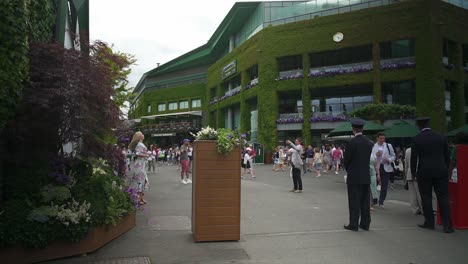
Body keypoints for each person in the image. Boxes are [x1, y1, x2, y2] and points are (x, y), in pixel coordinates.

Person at [411, 117, 453, 233]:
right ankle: (447, 225)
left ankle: (429, 222)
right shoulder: (441, 136)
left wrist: (413, 173)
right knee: (443, 197)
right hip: (441, 171)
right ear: (429, 124)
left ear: (419, 126)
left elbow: (414, 158)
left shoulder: (416, 139)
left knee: (426, 197)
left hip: (424, 172)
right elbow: (447, 155)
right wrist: (446, 169)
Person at [343, 118, 373, 231]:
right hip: (365, 175)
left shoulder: (351, 143)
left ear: (353, 129)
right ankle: (365, 223)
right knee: (365, 200)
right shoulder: (369, 142)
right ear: (362, 128)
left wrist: (350, 170)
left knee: (354, 200)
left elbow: (346, 161)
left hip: (354, 175)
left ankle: (354, 224)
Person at [371, 132, 395, 208]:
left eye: (384, 138)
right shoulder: (373, 146)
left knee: (384, 186)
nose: (382, 140)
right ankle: (373, 200)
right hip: (376, 167)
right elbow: (371, 156)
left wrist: (388, 160)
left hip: (386, 167)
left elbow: (393, 156)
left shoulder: (388, 145)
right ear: (377, 138)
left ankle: (381, 202)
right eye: (381, 138)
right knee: (374, 184)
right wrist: (376, 155)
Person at [128, 131, 149, 205]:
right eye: (142, 134)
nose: (143, 135)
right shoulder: (140, 144)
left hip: (141, 164)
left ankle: (141, 198)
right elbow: (138, 153)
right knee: (140, 180)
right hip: (139, 165)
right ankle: (138, 199)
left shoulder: (140, 144)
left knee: (143, 180)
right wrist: (147, 154)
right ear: (140, 136)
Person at [405, 146, 423, 215]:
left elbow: (406, 163)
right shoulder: (421, 149)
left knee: (412, 193)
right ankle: (423, 208)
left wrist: (406, 174)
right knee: (420, 192)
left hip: (409, 173)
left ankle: (415, 209)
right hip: (418, 173)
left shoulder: (407, 150)